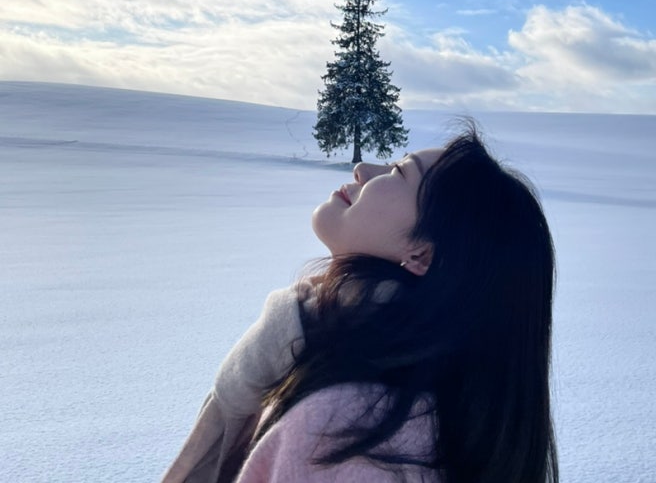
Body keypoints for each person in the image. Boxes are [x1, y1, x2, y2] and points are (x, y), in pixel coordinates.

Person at [161, 125, 559, 483]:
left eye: (398, 172)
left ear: (421, 254)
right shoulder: (345, 364)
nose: (363, 170)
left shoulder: (346, 433)